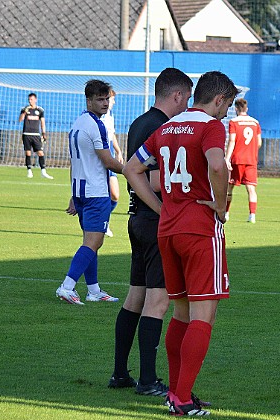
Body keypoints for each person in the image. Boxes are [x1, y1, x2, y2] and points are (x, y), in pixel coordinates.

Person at [123, 71, 239, 416]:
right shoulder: (210, 126)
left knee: (182, 313)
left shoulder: (167, 127)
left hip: (168, 231)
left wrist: (161, 208)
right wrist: (220, 204)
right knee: (204, 315)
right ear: (217, 99)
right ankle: (182, 399)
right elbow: (218, 165)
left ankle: (176, 391)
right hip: (200, 230)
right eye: (227, 106)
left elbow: (131, 169)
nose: (226, 114)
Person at [109, 68, 193, 394]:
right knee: (158, 302)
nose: (187, 104)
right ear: (176, 95)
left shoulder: (138, 121)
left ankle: (119, 373)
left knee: (136, 296)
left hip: (136, 220)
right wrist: (167, 206)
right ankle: (146, 380)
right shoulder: (163, 126)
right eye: (186, 97)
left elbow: (134, 171)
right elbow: (154, 178)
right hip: (153, 221)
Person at [56, 80, 124, 305]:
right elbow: (107, 161)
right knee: (93, 242)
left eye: (106, 99)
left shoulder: (78, 123)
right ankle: (67, 286)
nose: (104, 103)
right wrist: (133, 170)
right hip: (96, 193)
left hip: (82, 192)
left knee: (91, 241)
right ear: (89, 100)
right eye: (100, 99)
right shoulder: (97, 126)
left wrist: (74, 195)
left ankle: (93, 290)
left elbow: (73, 162)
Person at [225, 98, 262, 223]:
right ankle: (252, 215)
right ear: (246, 109)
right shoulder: (255, 123)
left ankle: (226, 213)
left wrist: (227, 158)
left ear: (235, 109)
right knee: (251, 189)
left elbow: (232, 141)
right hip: (251, 160)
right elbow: (259, 142)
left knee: (229, 187)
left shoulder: (234, 122)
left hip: (237, 159)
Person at [101, 89, 123, 237]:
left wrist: (118, 151)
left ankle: (103, 222)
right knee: (102, 195)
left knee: (115, 195)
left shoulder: (109, 116)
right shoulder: (99, 117)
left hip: (110, 155)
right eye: (112, 99)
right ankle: (101, 223)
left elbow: (111, 134)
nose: (113, 102)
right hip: (102, 158)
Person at [19, 93, 52, 179]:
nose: (30, 101)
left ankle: (43, 171)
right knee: (28, 152)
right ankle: (29, 170)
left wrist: (44, 133)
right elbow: (20, 120)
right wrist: (24, 113)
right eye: (29, 100)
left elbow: (42, 122)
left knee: (40, 152)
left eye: (32, 99)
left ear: (35, 100)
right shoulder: (25, 109)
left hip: (36, 135)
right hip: (26, 134)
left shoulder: (40, 110)